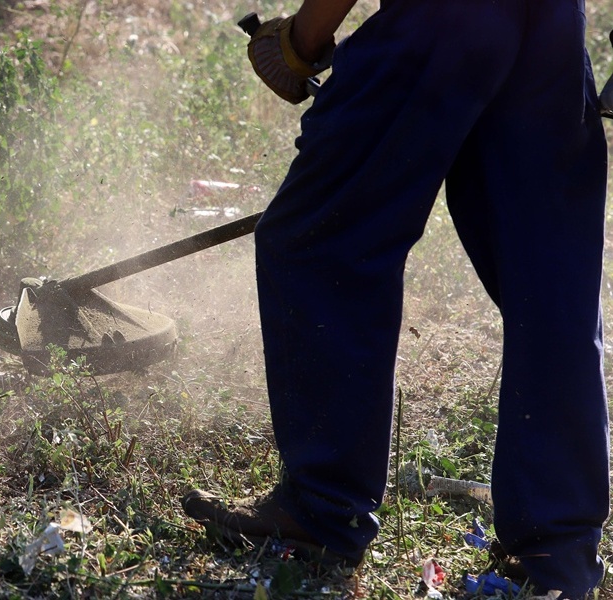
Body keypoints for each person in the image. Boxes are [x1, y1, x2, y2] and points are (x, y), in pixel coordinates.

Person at [181, 1, 610, 598]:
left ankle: (323, 510)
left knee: (320, 238)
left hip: (441, 20)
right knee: (549, 285)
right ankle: (556, 550)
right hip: (550, 25)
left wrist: (302, 39)